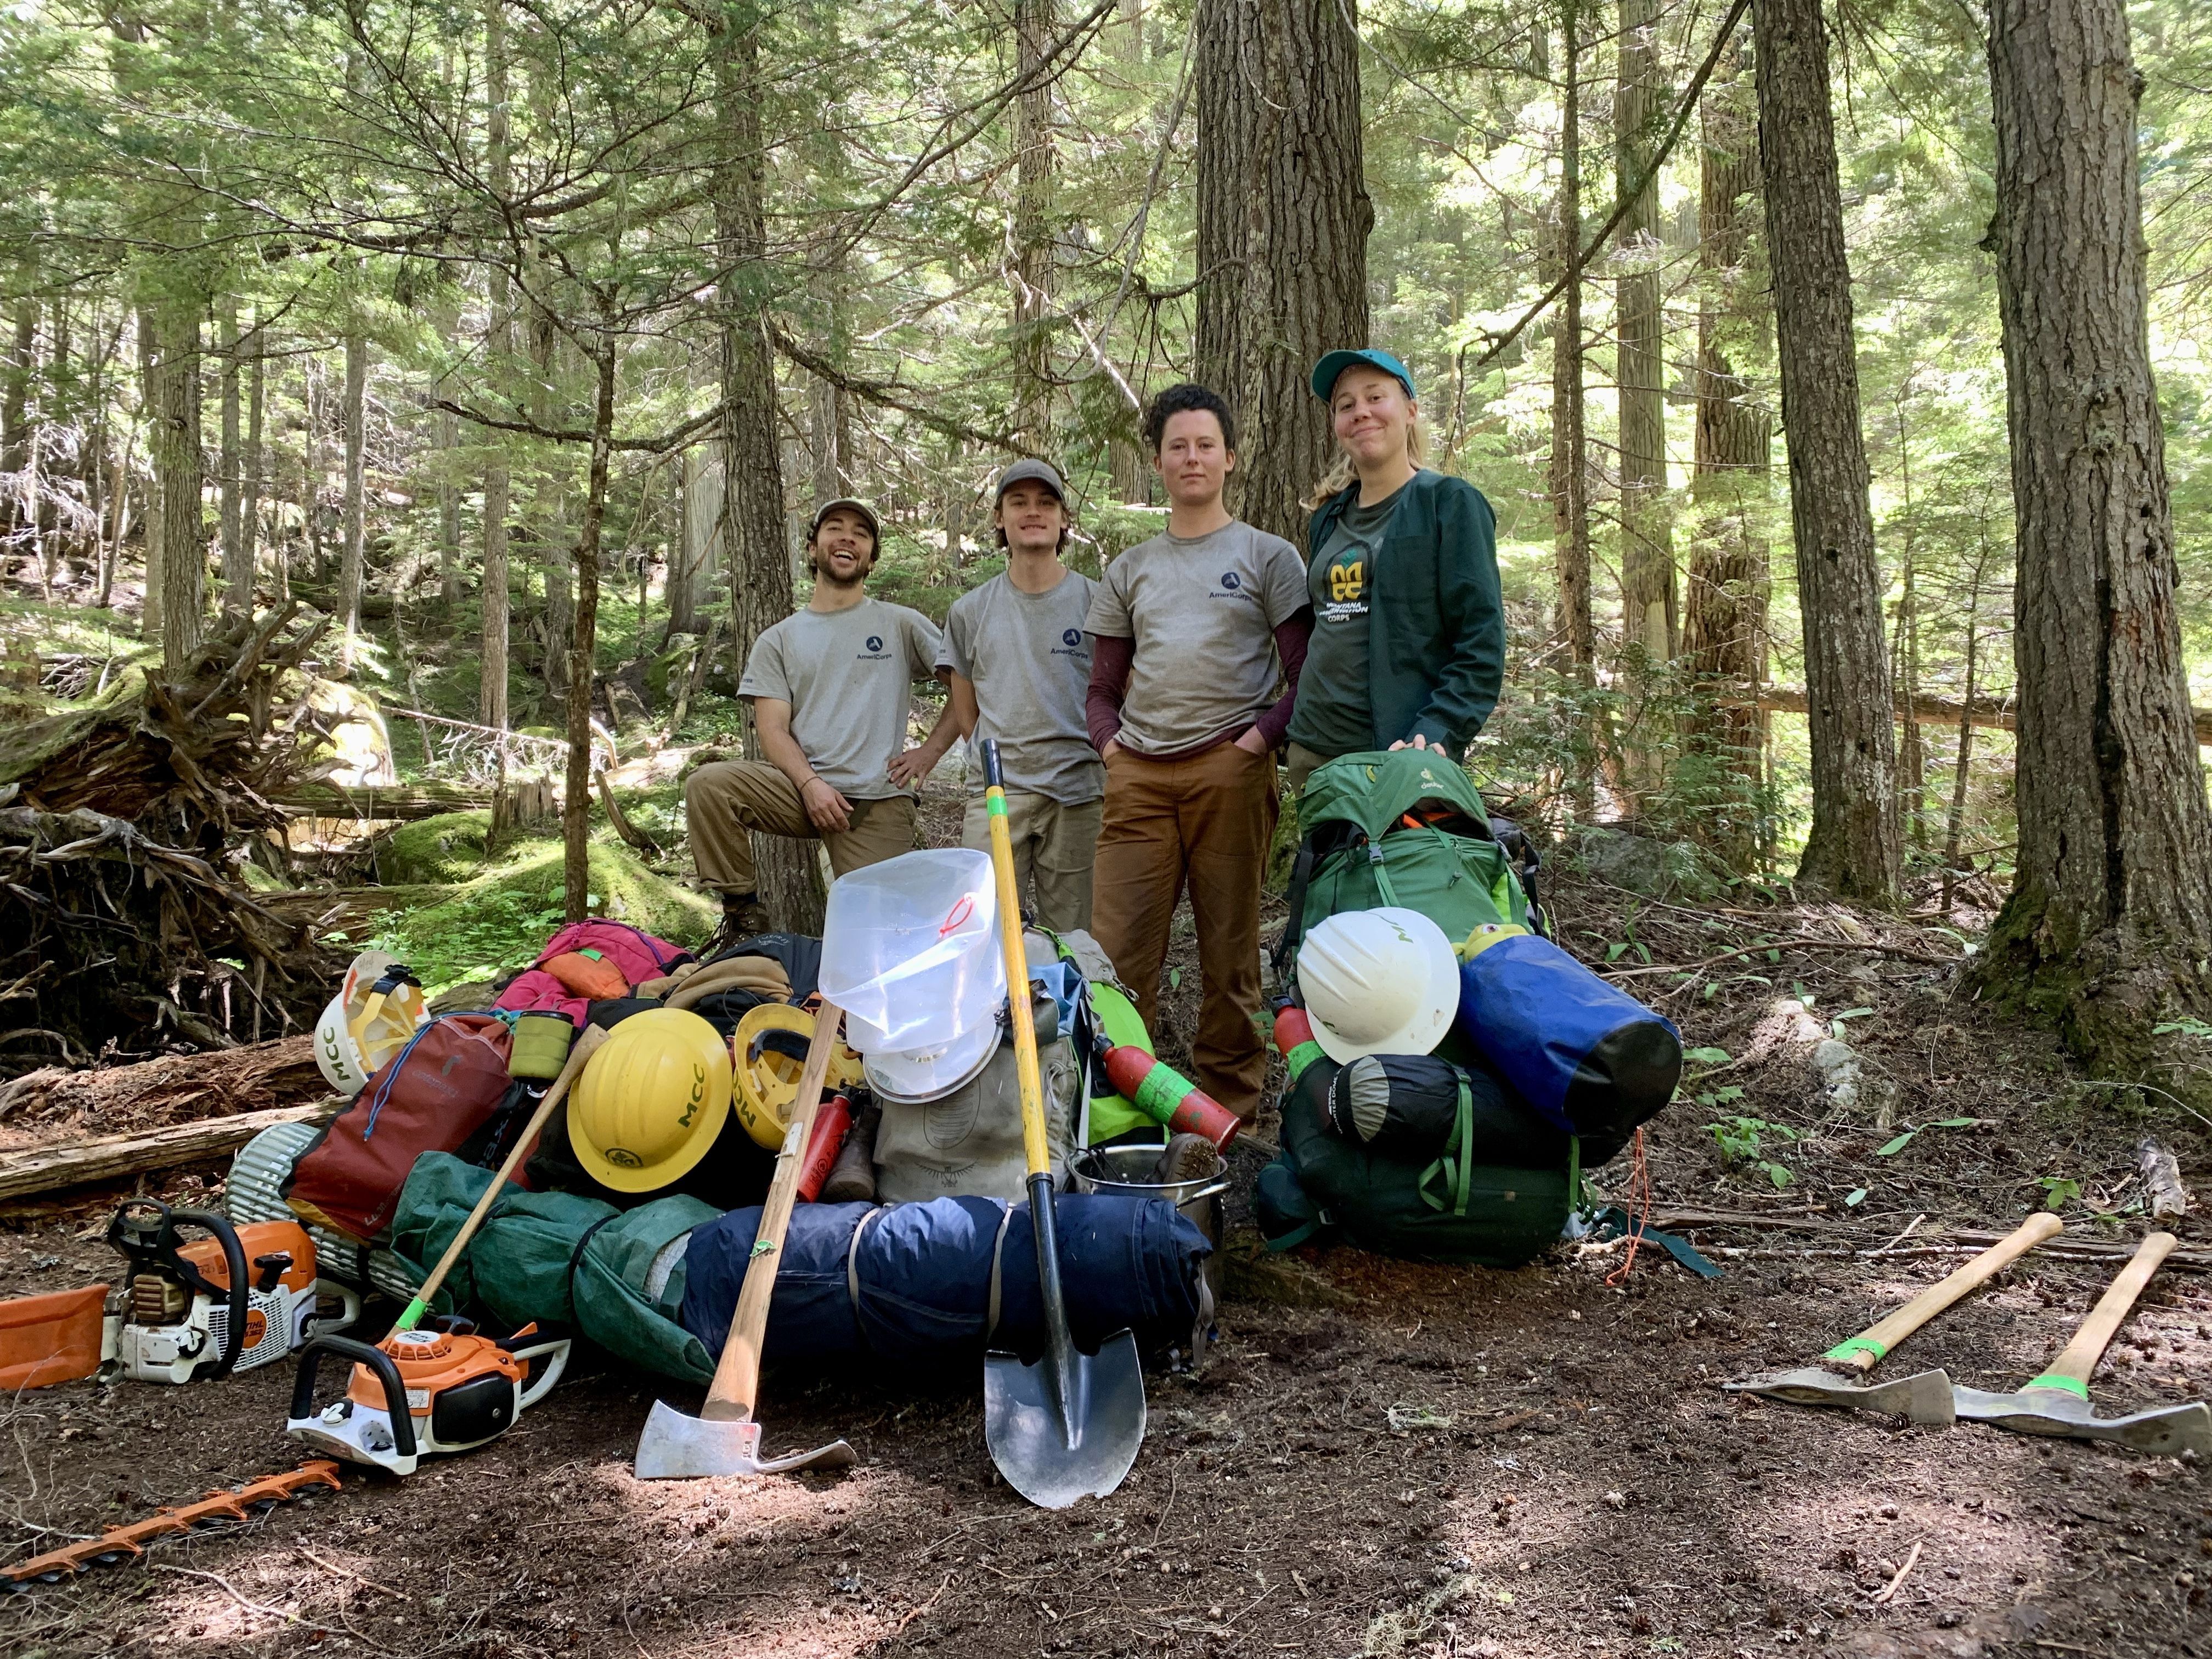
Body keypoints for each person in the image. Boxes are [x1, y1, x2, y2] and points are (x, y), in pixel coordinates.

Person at [1085, 383, 1312, 1119]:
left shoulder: (1265, 556)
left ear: (1231, 458)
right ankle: (1123, 1101)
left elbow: (1306, 677)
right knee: (1117, 955)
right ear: (1157, 461)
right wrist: (1111, 749)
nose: (1192, 458)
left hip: (1229, 772)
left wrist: (1257, 742)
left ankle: (1231, 1107)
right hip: (1139, 778)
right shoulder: (1131, 567)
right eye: (1178, 446)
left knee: (1229, 952)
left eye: (1205, 445)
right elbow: (1102, 684)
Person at [685, 499, 952, 943]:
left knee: (881, 942)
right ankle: (743, 918)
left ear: (871, 558)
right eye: (835, 528)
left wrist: (931, 751)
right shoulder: (780, 640)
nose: (848, 537)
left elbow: (966, 686)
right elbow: (772, 729)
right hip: (800, 789)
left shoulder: (900, 624)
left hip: (877, 801)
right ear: (813, 548)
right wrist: (810, 785)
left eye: (861, 534)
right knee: (708, 786)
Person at [1285, 348, 1505, 792]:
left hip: (1401, 757)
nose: (1360, 412)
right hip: (1313, 752)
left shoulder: (1449, 504)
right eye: (1346, 406)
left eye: (1374, 398)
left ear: (1410, 412)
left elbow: (1481, 644)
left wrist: (1437, 732)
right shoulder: (1328, 518)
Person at [937, 459, 1104, 932]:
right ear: (999, 518)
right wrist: (996, 759)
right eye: (1019, 502)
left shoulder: (1096, 602)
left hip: (1078, 794)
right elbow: (966, 709)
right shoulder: (971, 611)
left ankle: (1068, 1009)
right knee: (983, 930)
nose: (1034, 512)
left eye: (1046, 503)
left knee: (1074, 936)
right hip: (996, 793)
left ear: (1064, 519)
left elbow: (1117, 696)